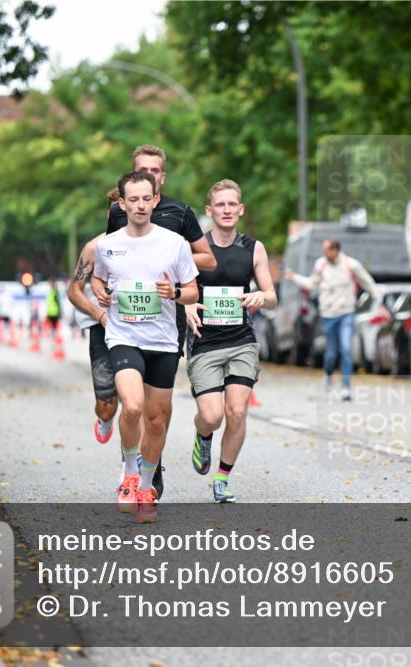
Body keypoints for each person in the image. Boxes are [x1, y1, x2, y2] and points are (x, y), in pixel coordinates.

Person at [92, 171, 199, 524]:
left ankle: (146, 487)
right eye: (132, 199)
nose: (140, 205)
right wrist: (98, 291)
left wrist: (176, 294)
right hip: (124, 336)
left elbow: (193, 291)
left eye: (146, 199)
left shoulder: (175, 243)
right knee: (133, 406)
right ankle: (128, 475)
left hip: (164, 341)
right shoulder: (108, 244)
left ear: (155, 200)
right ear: (122, 203)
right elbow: (97, 276)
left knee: (156, 420)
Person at [185, 180, 276, 503]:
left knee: (236, 411)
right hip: (204, 341)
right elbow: (177, 289)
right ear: (209, 212)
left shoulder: (254, 248)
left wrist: (259, 298)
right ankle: (203, 434)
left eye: (231, 204)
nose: (226, 210)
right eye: (219, 205)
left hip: (242, 341)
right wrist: (185, 306)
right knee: (212, 415)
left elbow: (272, 296)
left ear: (240, 210)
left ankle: (222, 478)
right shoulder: (195, 249)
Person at [285, 238, 380, 401]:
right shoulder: (321, 265)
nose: (324, 253)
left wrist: (379, 301)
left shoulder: (351, 265)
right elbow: (311, 283)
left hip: (346, 313)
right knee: (331, 353)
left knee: (346, 349)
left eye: (327, 250)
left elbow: (368, 283)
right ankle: (328, 376)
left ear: (335, 250)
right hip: (328, 315)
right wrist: (294, 277)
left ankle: (346, 387)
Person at [67, 187, 120, 447]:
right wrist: (99, 315)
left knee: (139, 403)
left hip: (141, 328)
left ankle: (134, 467)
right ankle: (105, 419)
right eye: (116, 208)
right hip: (104, 330)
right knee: (107, 406)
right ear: (109, 213)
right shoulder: (94, 247)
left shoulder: (154, 244)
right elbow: (73, 291)